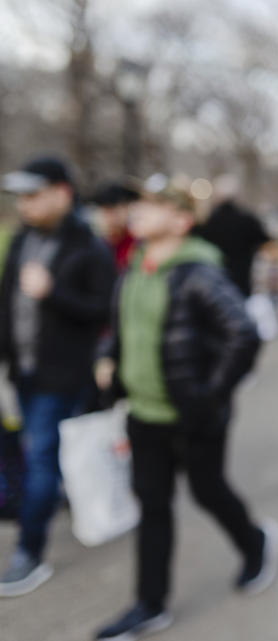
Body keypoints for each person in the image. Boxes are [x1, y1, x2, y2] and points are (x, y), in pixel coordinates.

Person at [92, 173, 278, 640]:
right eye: (137, 204)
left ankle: (256, 544)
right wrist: (106, 359)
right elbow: (119, 327)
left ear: (180, 220)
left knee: (207, 490)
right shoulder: (136, 265)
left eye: (152, 205)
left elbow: (244, 334)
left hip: (193, 415)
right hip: (144, 415)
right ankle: (150, 604)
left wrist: (209, 396)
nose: (138, 211)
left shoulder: (199, 271)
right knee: (153, 506)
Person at [0, 156, 116, 597]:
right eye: (20, 197)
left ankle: (30, 552)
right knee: (39, 453)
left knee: (40, 458)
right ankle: (55, 499)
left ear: (61, 193)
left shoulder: (89, 245)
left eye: (33, 195)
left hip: (62, 375)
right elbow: (8, 303)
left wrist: (54, 293)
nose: (24, 205)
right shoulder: (22, 239)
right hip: (22, 373)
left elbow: (104, 309)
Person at [197, 174, 271, 298]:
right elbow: (264, 239)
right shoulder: (247, 218)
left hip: (216, 278)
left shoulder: (208, 220)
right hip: (243, 277)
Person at [89, 180, 140, 271]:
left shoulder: (137, 245)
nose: (110, 219)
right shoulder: (94, 246)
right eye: (105, 212)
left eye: (114, 211)